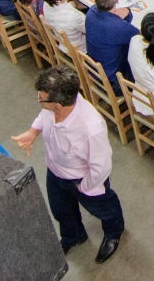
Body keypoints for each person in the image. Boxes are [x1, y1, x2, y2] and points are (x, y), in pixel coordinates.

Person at [11, 67, 124, 263]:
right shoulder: (52, 107)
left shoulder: (91, 128)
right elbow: (43, 116)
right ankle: (74, 236)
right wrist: (32, 132)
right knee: (61, 211)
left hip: (80, 179)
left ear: (58, 104)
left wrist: (85, 187)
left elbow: (101, 166)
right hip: (55, 173)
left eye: (42, 98)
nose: (39, 99)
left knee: (104, 209)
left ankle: (113, 233)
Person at [84, 0, 139, 89]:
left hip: (94, 73)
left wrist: (126, 13)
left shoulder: (91, 12)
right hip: (115, 83)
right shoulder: (119, 27)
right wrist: (128, 12)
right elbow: (139, 38)